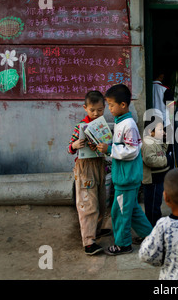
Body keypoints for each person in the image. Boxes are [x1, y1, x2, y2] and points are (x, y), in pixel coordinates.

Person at [96, 84, 153, 256]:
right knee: (133, 210)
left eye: (111, 105)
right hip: (125, 176)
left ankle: (123, 244)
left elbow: (132, 150)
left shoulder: (128, 124)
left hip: (126, 178)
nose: (109, 109)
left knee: (119, 212)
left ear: (123, 105)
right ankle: (151, 236)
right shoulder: (121, 122)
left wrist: (109, 149)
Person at [68, 90, 110, 255]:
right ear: (85, 108)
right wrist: (75, 145)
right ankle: (89, 241)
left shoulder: (103, 125)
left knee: (101, 201)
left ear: (104, 108)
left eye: (100, 110)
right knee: (88, 204)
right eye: (92, 110)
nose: (96, 113)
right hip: (85, 168)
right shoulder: (80, 126)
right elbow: (69, 148)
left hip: (100, 165)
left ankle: (96, 230)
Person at [141, 112, 172, 226]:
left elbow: (162, 151)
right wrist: (166, 160)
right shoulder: (148, 144)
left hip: (158, 179)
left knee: (156, 203)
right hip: (152, 181)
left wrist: (166, 140)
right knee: (152, 206)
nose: (163, 132)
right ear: (150, 131)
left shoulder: (155, 141)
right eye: (160, 130)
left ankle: (154, 225)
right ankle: (152, 229)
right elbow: (150, 160)